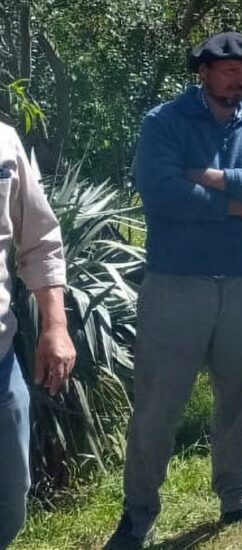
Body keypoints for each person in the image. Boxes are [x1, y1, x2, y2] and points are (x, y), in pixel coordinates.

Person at [106, 32, 242, 549]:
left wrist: (211, 176)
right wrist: (236, 203)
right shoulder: (164, 122)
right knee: (159, 404)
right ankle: (139, 511)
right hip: (177, 282)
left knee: (241, 396)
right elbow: (162, 191)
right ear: (204, 71)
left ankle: (237, 494)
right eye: (231, 70)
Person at [0, 123, 75, 548]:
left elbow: (40, 241)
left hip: (1, 362)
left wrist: (56, 326)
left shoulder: (3, 141)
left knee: (9, 499)